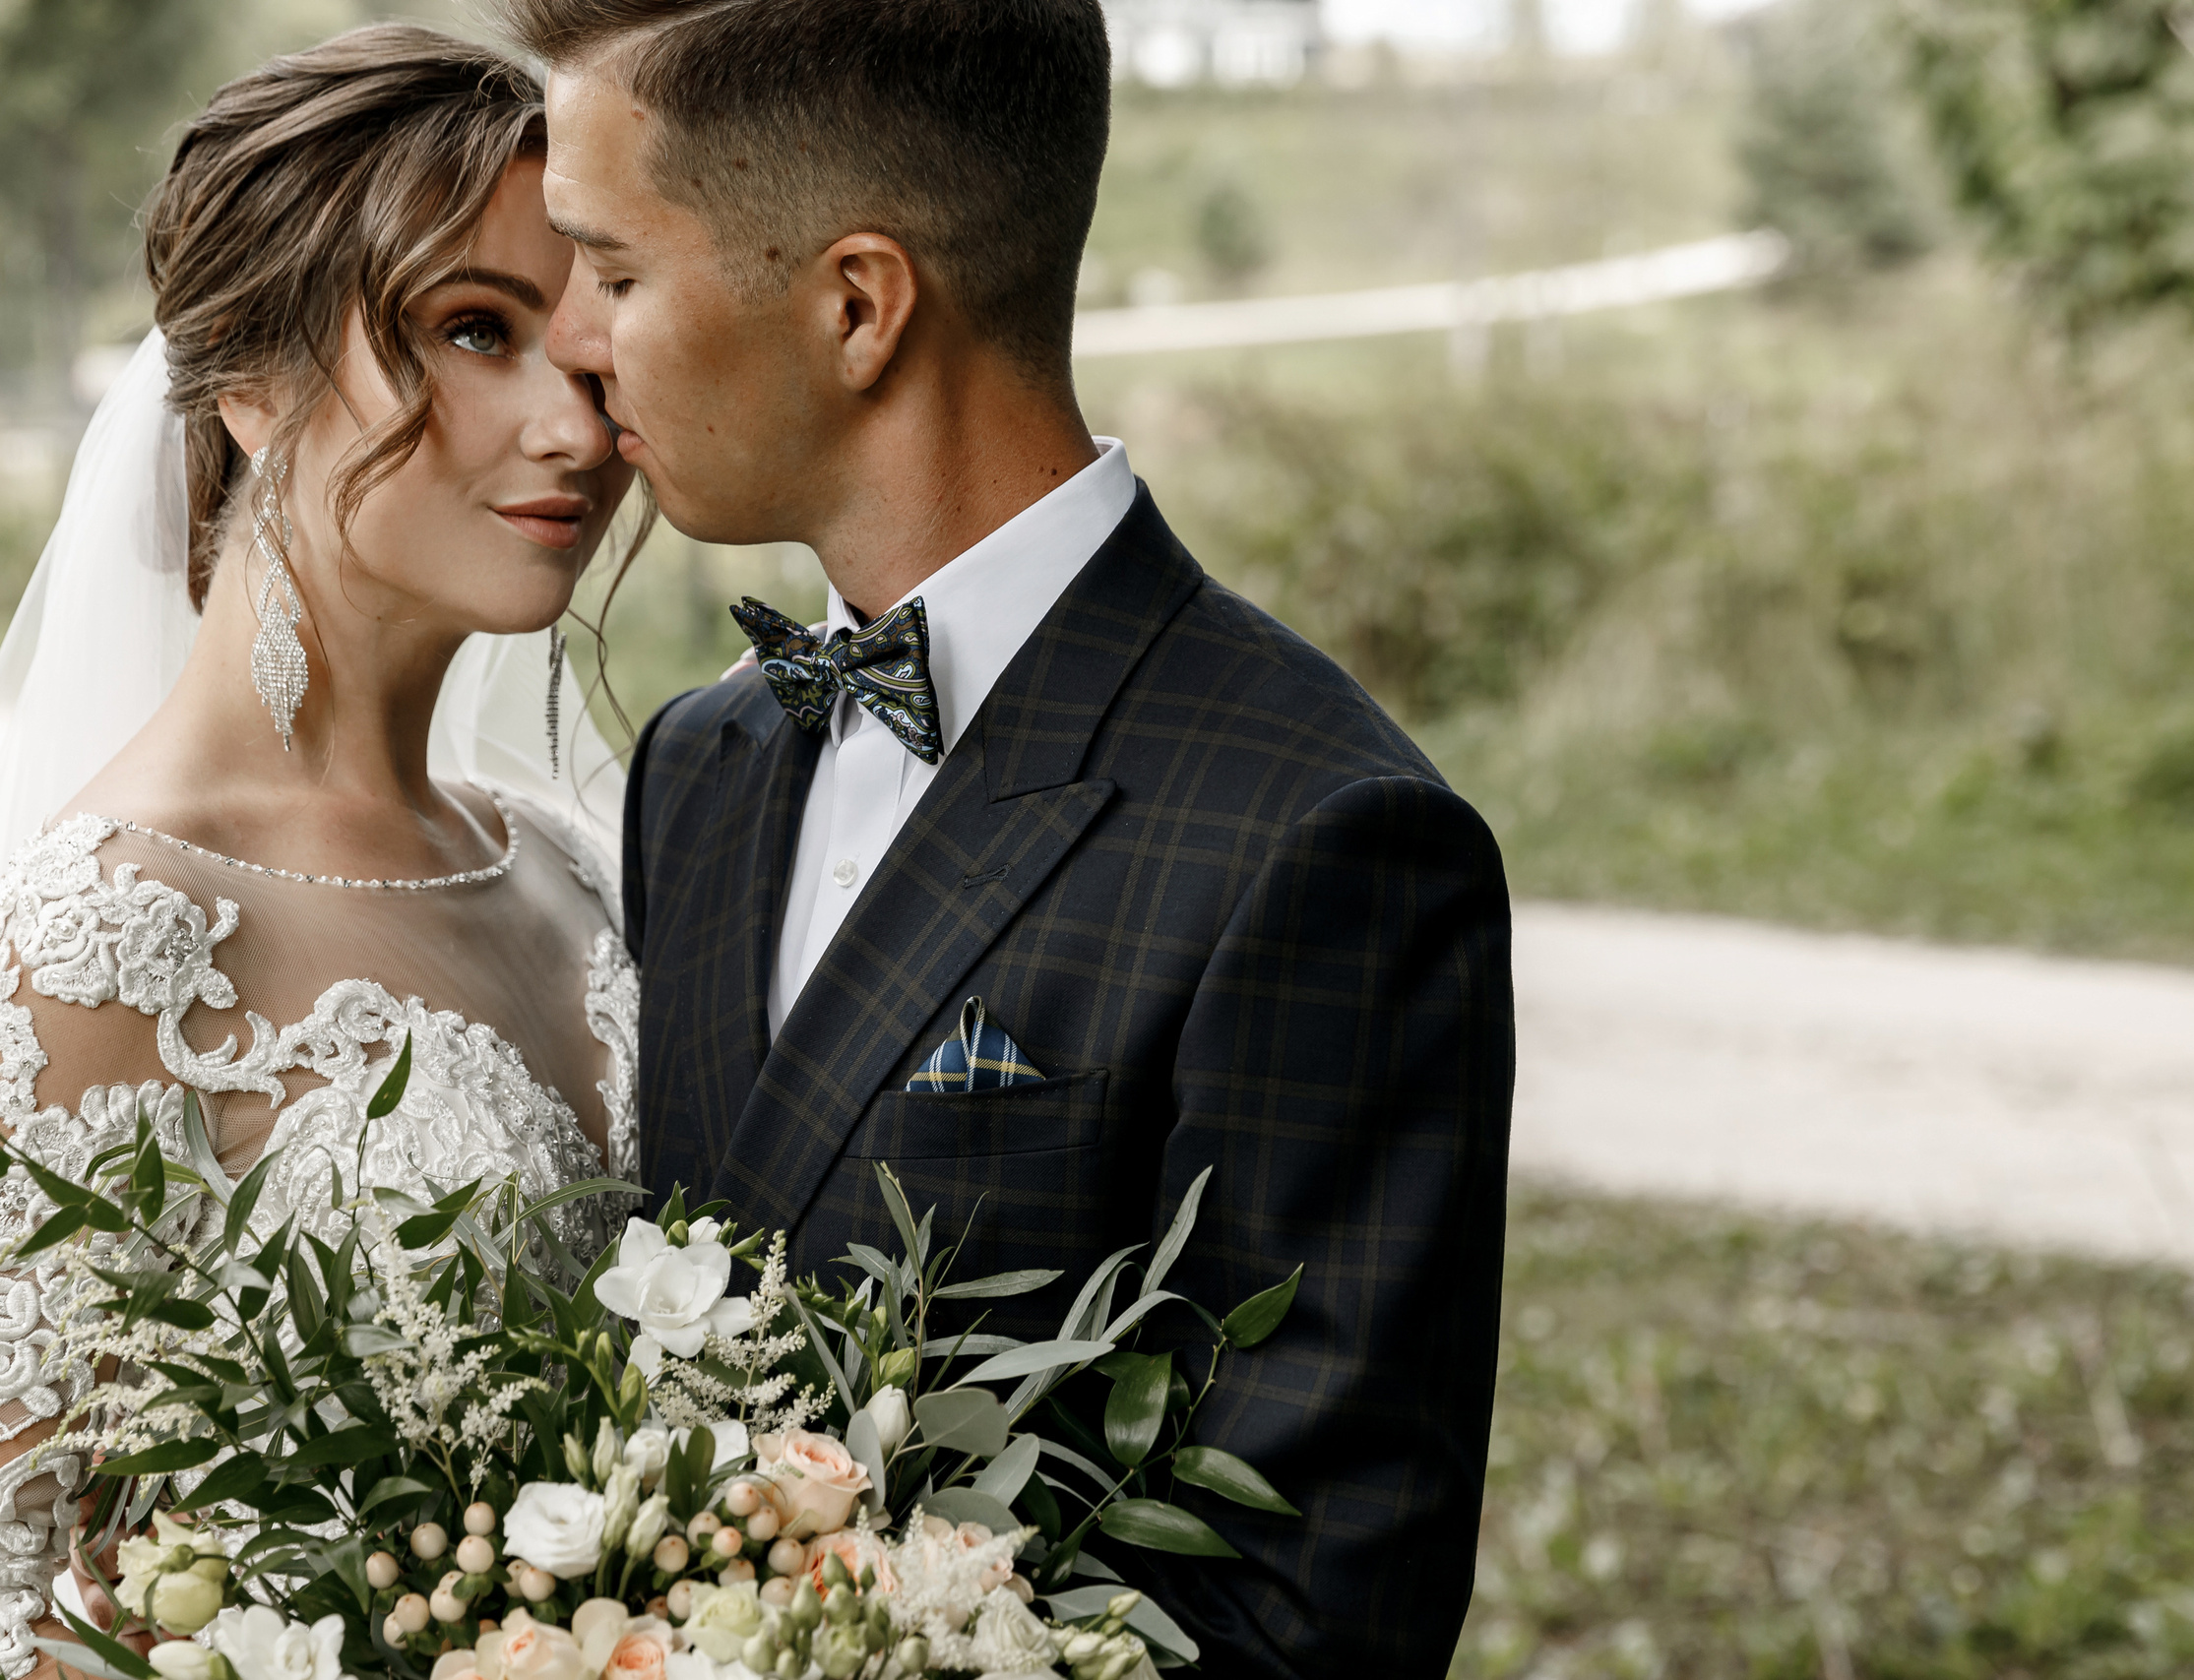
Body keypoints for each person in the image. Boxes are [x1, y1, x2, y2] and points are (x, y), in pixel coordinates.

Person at [513, 0, 1517, 1672]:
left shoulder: (1324, 839)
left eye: (612, 272)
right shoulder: (696, 763)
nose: (572, 339)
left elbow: (1307, 1624)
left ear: (857, 305)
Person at [0, 28, 642, 1675]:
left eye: (593, 345)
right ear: (250, 375)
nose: (575, 425)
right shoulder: (106, 941)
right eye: (475, 331)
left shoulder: (579, 866)